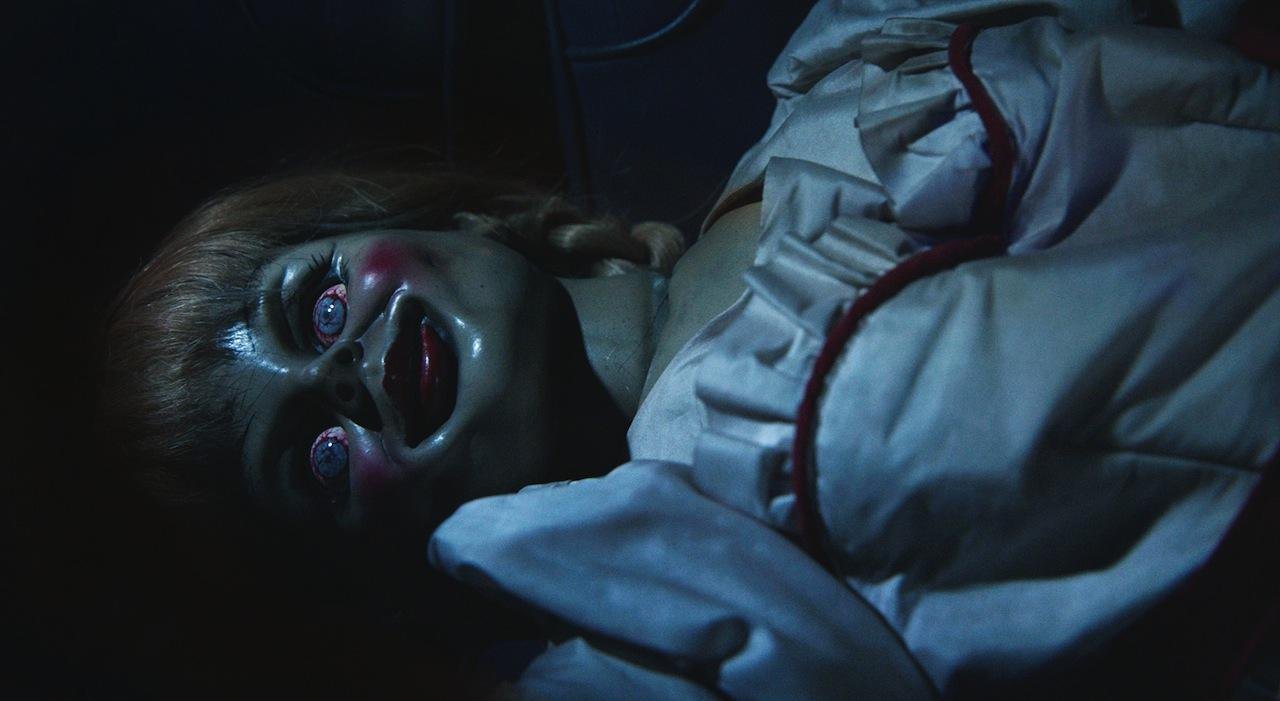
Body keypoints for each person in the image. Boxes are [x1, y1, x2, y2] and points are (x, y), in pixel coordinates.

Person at [98, 0, 1280, 697]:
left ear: (455, 221)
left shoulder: (848, 60)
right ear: (381, 573)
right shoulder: (657, 635)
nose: (337, 374)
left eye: (311, 309)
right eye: (313, 454)